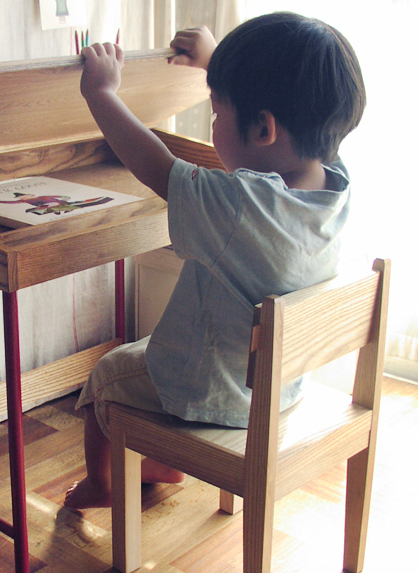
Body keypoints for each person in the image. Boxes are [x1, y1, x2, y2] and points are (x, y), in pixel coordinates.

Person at [64, 12, 366, 509]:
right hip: (277, 390)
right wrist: (220, 67)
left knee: (107, 375)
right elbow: (281, 98)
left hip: (211, 390)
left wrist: (102, 94)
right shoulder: (334, 183)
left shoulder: (242, 205)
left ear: (264, 127)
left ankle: (103, 486)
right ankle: (161, 462)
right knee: (140, 362)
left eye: (218, 113)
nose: (214, 124)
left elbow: (156, 166)